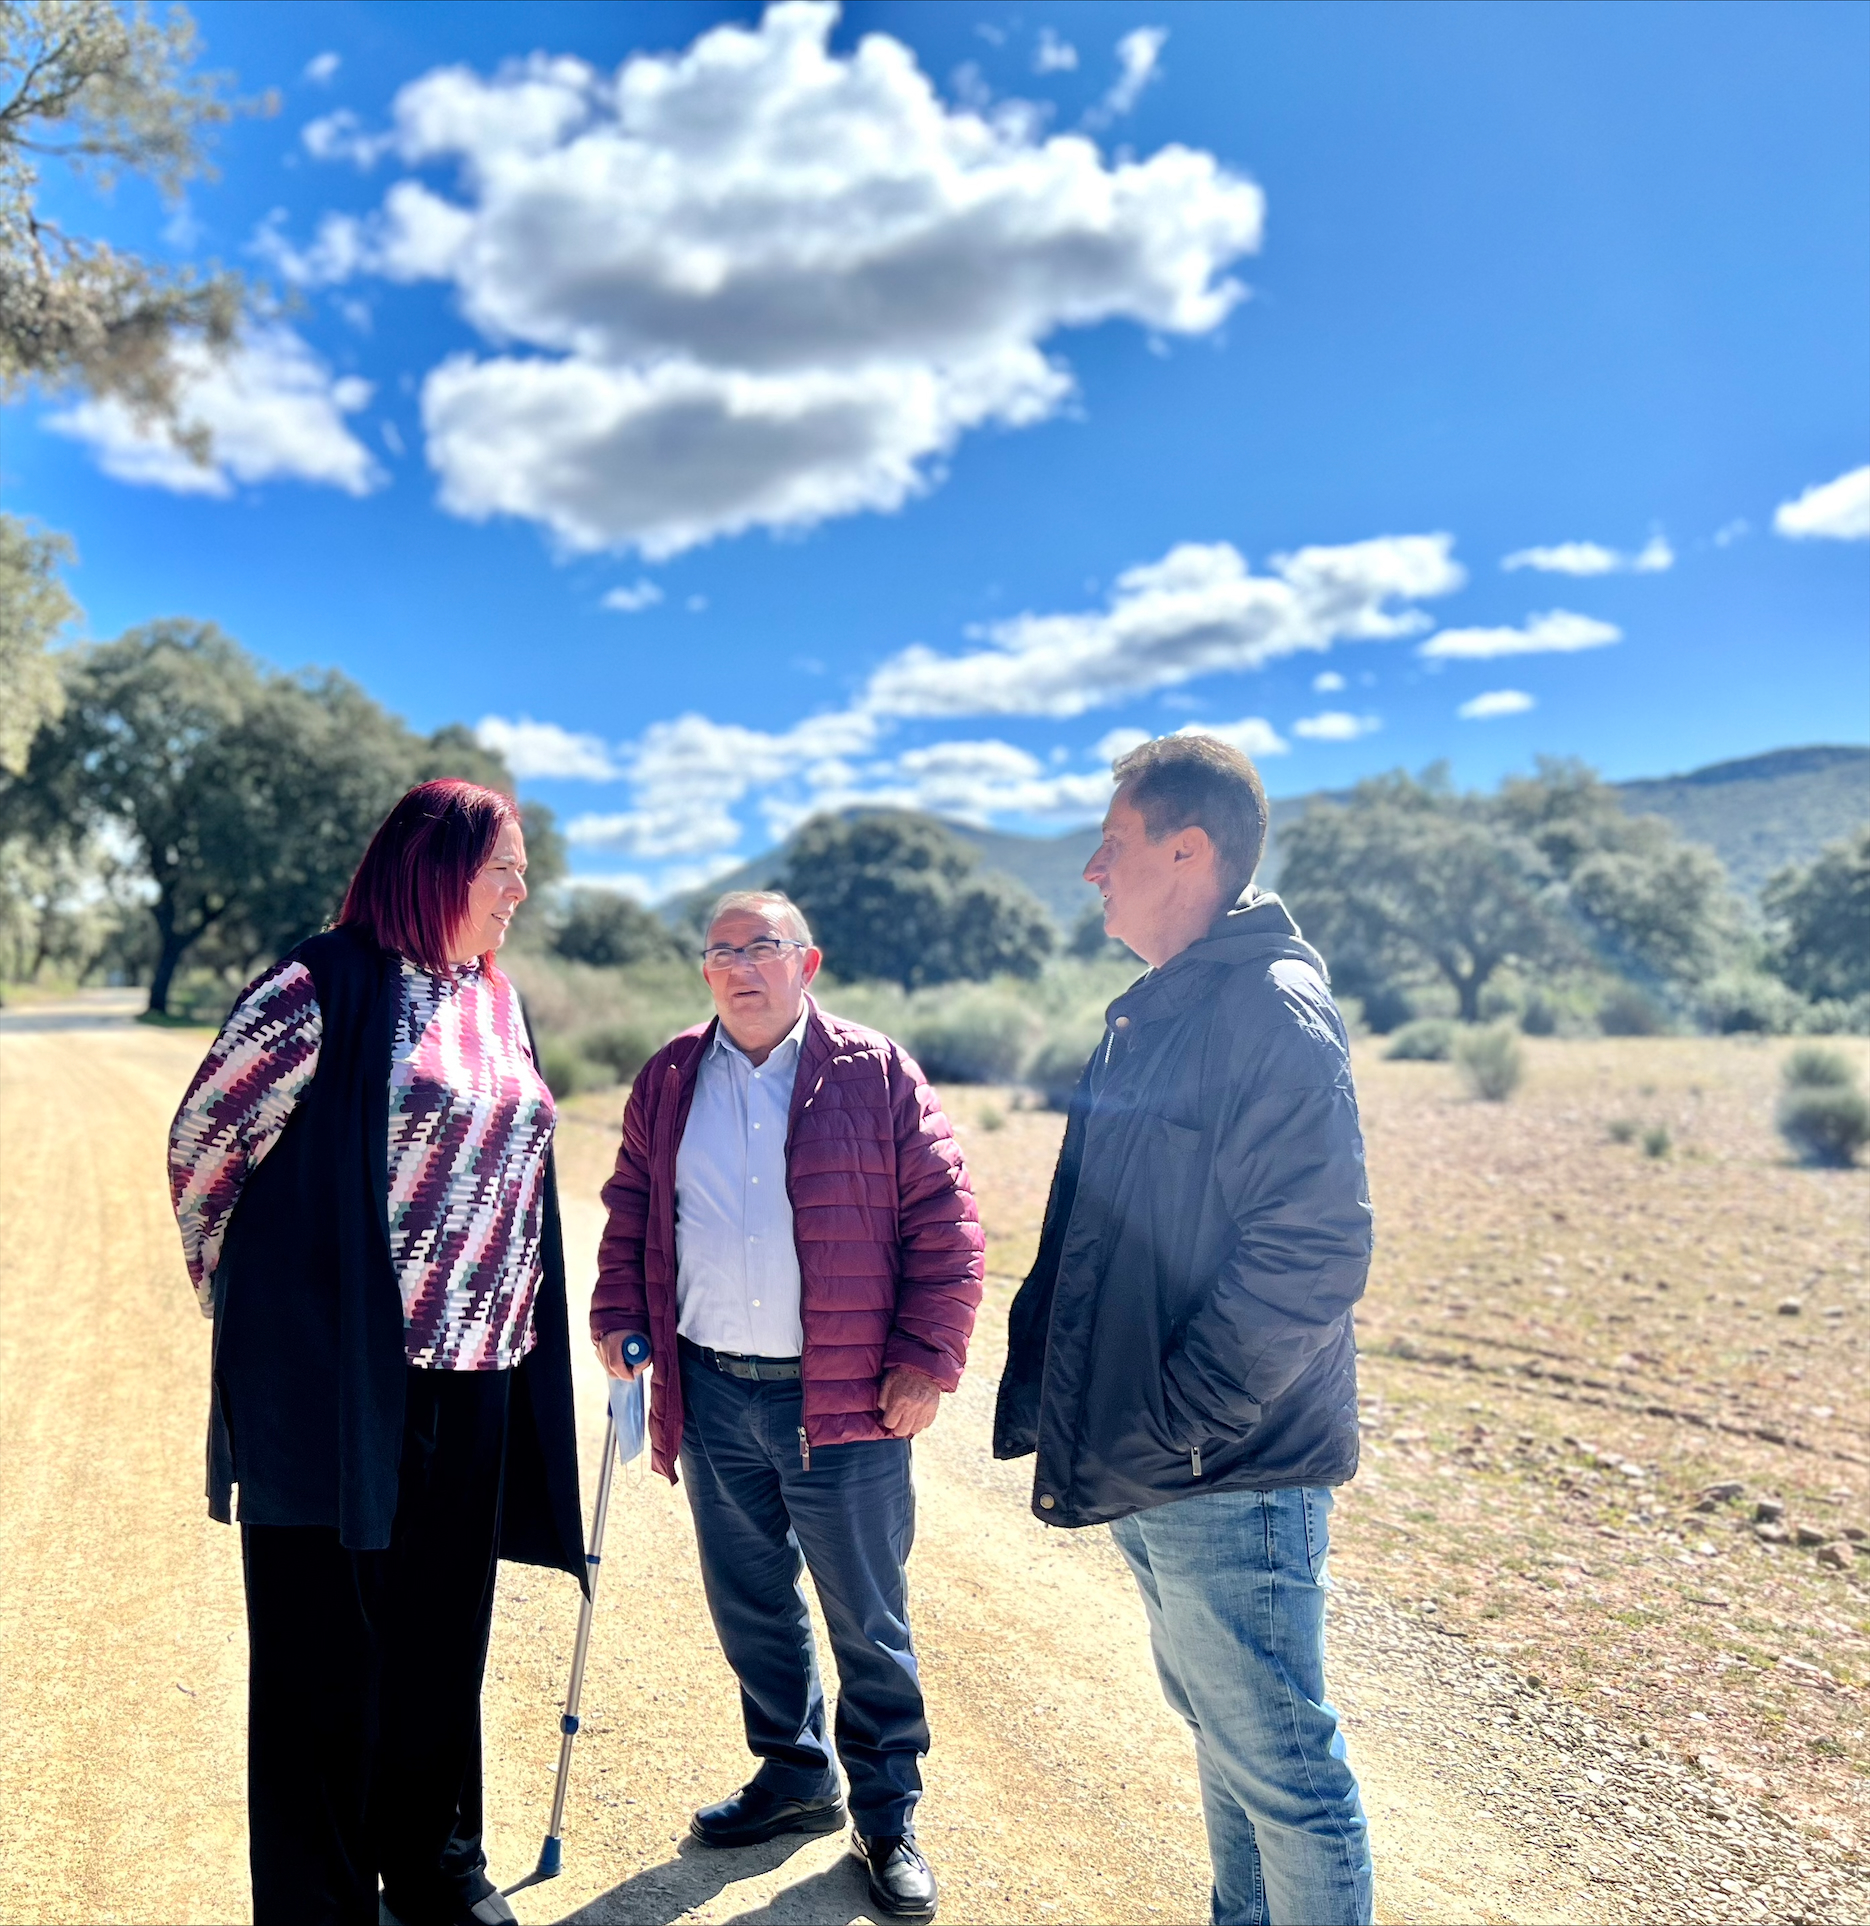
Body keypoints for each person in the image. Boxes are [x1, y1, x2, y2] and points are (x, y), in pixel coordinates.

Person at [166, 780, 586, 1926]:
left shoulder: (497, 1000)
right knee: (320, 1651)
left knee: (442, 1636)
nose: (520, 890)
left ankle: (438, 1865)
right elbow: (206, 1143)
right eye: (503, 867)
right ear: (433, 866)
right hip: (335, 1378)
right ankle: (325, 1902)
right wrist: (250, 1306)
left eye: (522, 870)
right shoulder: (321, 983)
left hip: (483, 1366)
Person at [994, 734, 1376, 1926]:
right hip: (1182, 1463)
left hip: (1225, 1466)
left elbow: (1313, 1253)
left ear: (1188, 850)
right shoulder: (1174, 1006)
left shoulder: (1266, 1009)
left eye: (1111, 848)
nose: (1092, 873)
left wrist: (1180, 1425)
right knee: (1228, 1739)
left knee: (1286, 1772)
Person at [591, 889, 981, 1921]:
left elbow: (947, 1225)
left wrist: (927, 1358)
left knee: (868, 1618)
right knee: (751, 1602)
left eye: (761, 947)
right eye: (720, 951)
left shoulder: (875, 1071)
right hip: (710, 1386)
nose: (739, 967)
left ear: (807, 965)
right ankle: (794, 1774)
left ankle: (887, 1814)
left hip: (845, 1399)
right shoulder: (671, 1075)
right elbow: (632, 1205)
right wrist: (617, 1311)